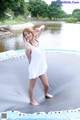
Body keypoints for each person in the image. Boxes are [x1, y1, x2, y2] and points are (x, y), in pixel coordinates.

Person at [23, 25, 53, 105]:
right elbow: (29, 59)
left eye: (28, 33)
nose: (27, 35)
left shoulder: (37, 39)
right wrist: (32, 69)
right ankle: (31, 100)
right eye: (25, 35)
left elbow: (43, 27)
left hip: (41, 67)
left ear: (31, 32)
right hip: (34, 68)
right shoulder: (28, 46)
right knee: (31, 87)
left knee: (46, 85)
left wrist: (38, 29)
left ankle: (46, 94)